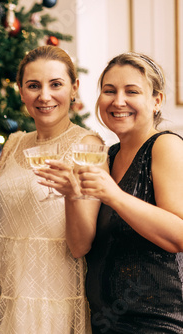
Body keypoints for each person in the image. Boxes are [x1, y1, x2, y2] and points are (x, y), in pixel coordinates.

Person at [0, 45, 104, 333]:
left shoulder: (88, 146)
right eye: (33, 86)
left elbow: (81, 245)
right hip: (6, 293)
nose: (44, 96)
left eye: (56, 84)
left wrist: (71, 194)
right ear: (21, 91)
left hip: (54, 297)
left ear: (74, 88)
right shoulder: (13, 143)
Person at [71, 52, 183, 332]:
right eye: (109, 91)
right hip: (105, 323)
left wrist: (114, 195)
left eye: (131, 91)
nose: (118, 101)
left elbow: (179, 236)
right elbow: (78, 247)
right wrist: (71, 192)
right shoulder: (106, 156)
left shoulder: (165, 146)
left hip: (157, 323)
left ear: (156, 100)